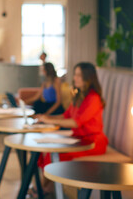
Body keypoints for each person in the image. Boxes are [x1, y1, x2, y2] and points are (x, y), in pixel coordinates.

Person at [34, 62, 108, 194]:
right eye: (75, 75)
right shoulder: (79, 96)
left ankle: (39, 190)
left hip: (92, 143)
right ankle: (46, 188)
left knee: (54, 155)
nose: (75, 78)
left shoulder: (93, 98)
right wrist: (46, 118)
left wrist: (48, 120)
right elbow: (65, 115)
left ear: (88, 77)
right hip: (78, 139)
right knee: (47, 150)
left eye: (79, 75)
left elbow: (75, 123)